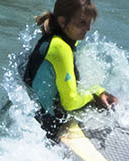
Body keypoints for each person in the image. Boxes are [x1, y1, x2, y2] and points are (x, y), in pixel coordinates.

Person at [20, 0, 118, 133]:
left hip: (28, 113)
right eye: (82, 23)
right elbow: (70, 102)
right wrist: (94, 93)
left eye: (89, 22)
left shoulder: (54, 37)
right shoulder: (61, 49)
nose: (88, 28)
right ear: (62, 21)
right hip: (45, 124)